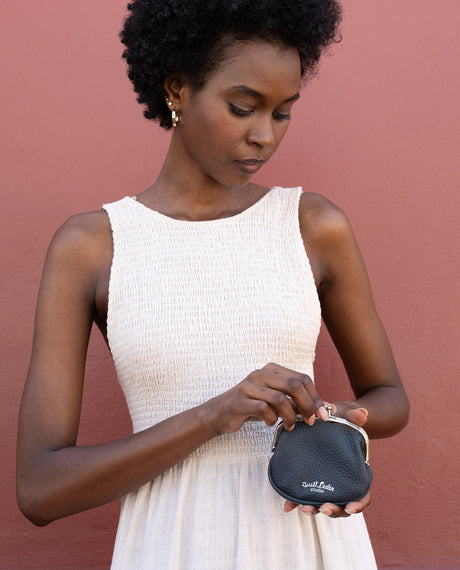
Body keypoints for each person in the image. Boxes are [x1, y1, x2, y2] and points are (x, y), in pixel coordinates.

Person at [16, 0, 409, 568]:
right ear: (177, 89)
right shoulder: (91, 246)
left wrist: (329, 429)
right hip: (173, 545)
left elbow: (389, 399)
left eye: (283, 113)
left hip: (307, 545)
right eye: (243, 108)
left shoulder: (313, 225)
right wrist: (211, 417)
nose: (264, 136)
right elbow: (40, 490)